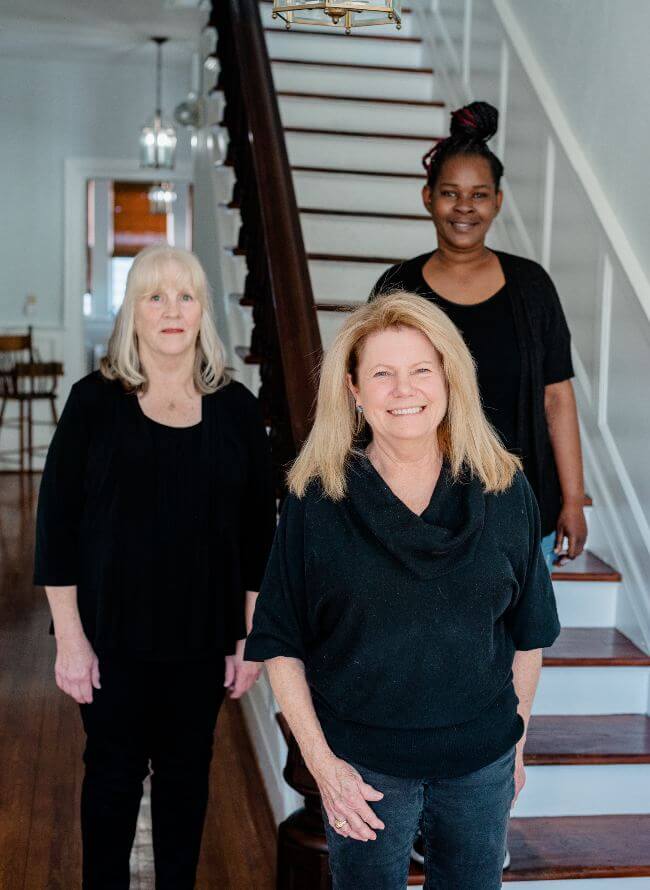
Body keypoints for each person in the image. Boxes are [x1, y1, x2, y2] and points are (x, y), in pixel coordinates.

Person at [245, 292, 560, 890]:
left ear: (449, 377)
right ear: (354, 390)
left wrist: (514, 744)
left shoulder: (504, 488)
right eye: (382, 374)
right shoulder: (318, 498)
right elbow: (279, 644)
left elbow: (528, 636)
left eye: (421, 370)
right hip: (363, 771)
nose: (404, 389)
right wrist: (322, 765)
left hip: (479, 765)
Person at [34, 245, 276, 889]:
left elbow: (260, 532)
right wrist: (71, 642)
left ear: (204, 310)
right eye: (154, 295)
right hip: (110, 636)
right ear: (132, 312)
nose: (172, 309)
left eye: (186, 295)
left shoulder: (238, 408)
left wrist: (250, 636)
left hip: (202, 638)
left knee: (186, 776)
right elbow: (55, 527)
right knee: (111, 777)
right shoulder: (93, 402)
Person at [371, 101, 587, 575]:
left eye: (479, 194)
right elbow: (372, 394)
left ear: (498, 202)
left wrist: (573, 498)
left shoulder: (532, 287)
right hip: (420, 510)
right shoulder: (398, 287)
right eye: (450, 193)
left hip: (522, 508)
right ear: (427, 197)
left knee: (521, 647)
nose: (464, 207)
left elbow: (557, 398)